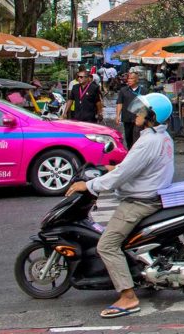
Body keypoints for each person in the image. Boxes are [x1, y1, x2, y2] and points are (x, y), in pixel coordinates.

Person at [65, 93, 174, 319]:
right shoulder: (162, 137)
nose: (136, 114)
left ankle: (128, 296)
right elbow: (134, 168)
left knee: (106, 245)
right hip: (150, 194)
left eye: (142, 112)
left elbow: (122, 175)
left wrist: (89, 185)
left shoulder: (148, 141)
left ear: (152, 116)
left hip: (139, 202)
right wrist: (108, 168)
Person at [115, 70, 145, 150]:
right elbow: (119, 103)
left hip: (138, 119)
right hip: (127, 118)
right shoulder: (123, 90)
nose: (129, 80)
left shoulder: (143, 91)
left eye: (131, 79)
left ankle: (136, 153)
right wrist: (117, 115)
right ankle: (129, 151)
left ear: (137, 80)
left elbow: (146, 105)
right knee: (128, 137)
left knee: (137, 137)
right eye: (128, 78)